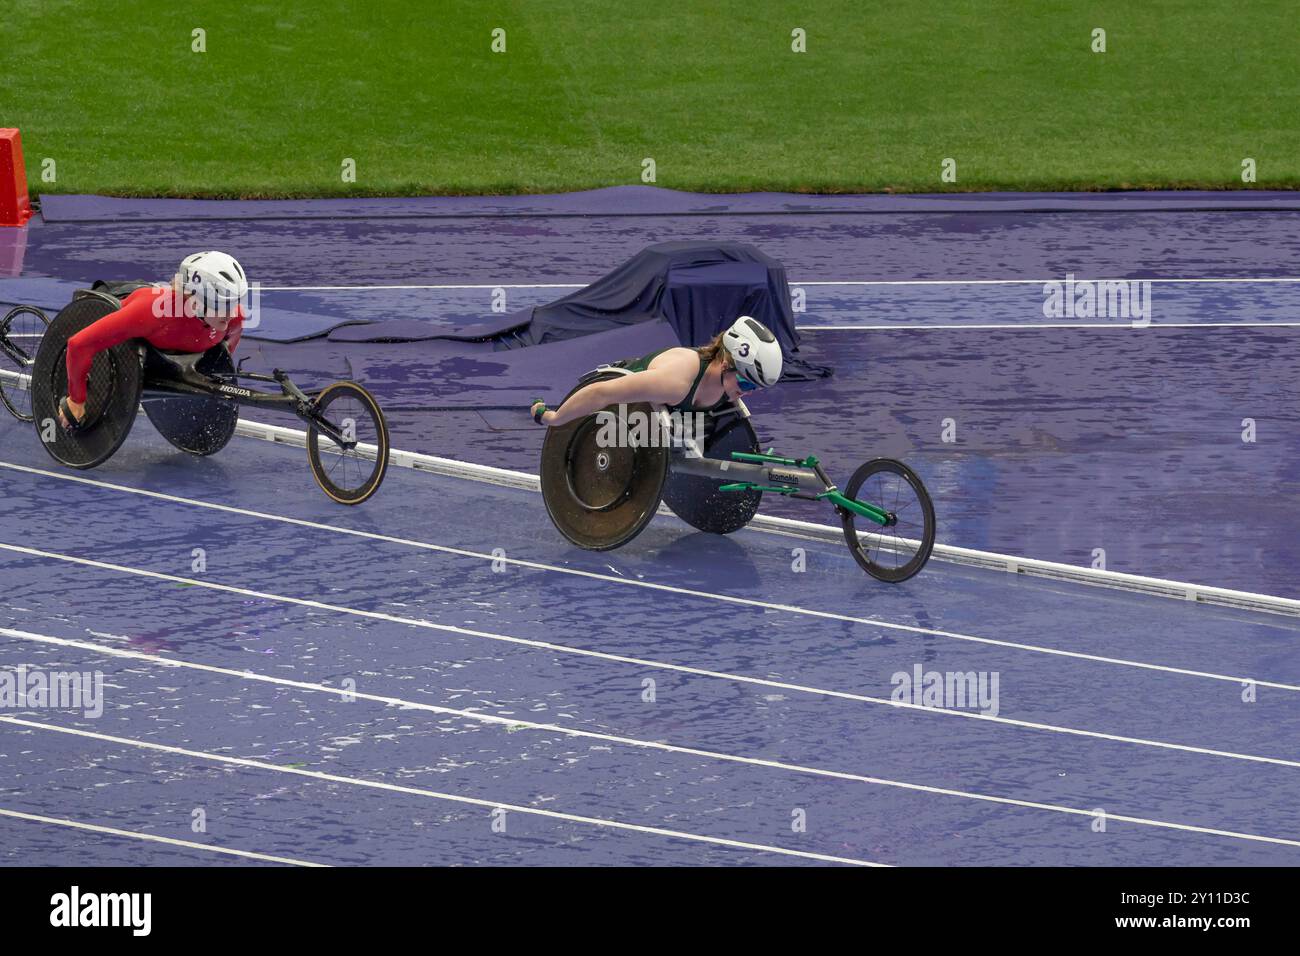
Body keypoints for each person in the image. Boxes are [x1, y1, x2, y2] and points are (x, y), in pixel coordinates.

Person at [58, 251, 248, 431]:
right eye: (223, 305)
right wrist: (76, 399)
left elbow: (220, 358)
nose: (232, 313)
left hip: (160, 327)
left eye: (234, 302)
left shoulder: (233, 318)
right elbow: (79, 344)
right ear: (196, 302)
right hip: (121, 299)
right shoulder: (151, 313)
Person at [530, 315, 783, 428]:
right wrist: (553, 418)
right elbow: (601, 393)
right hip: (614, 412)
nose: (748, 393)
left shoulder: (726, 384)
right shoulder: (675, 381)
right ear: (727, 364)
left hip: (650, 430)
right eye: (747, 384)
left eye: (755, 387)